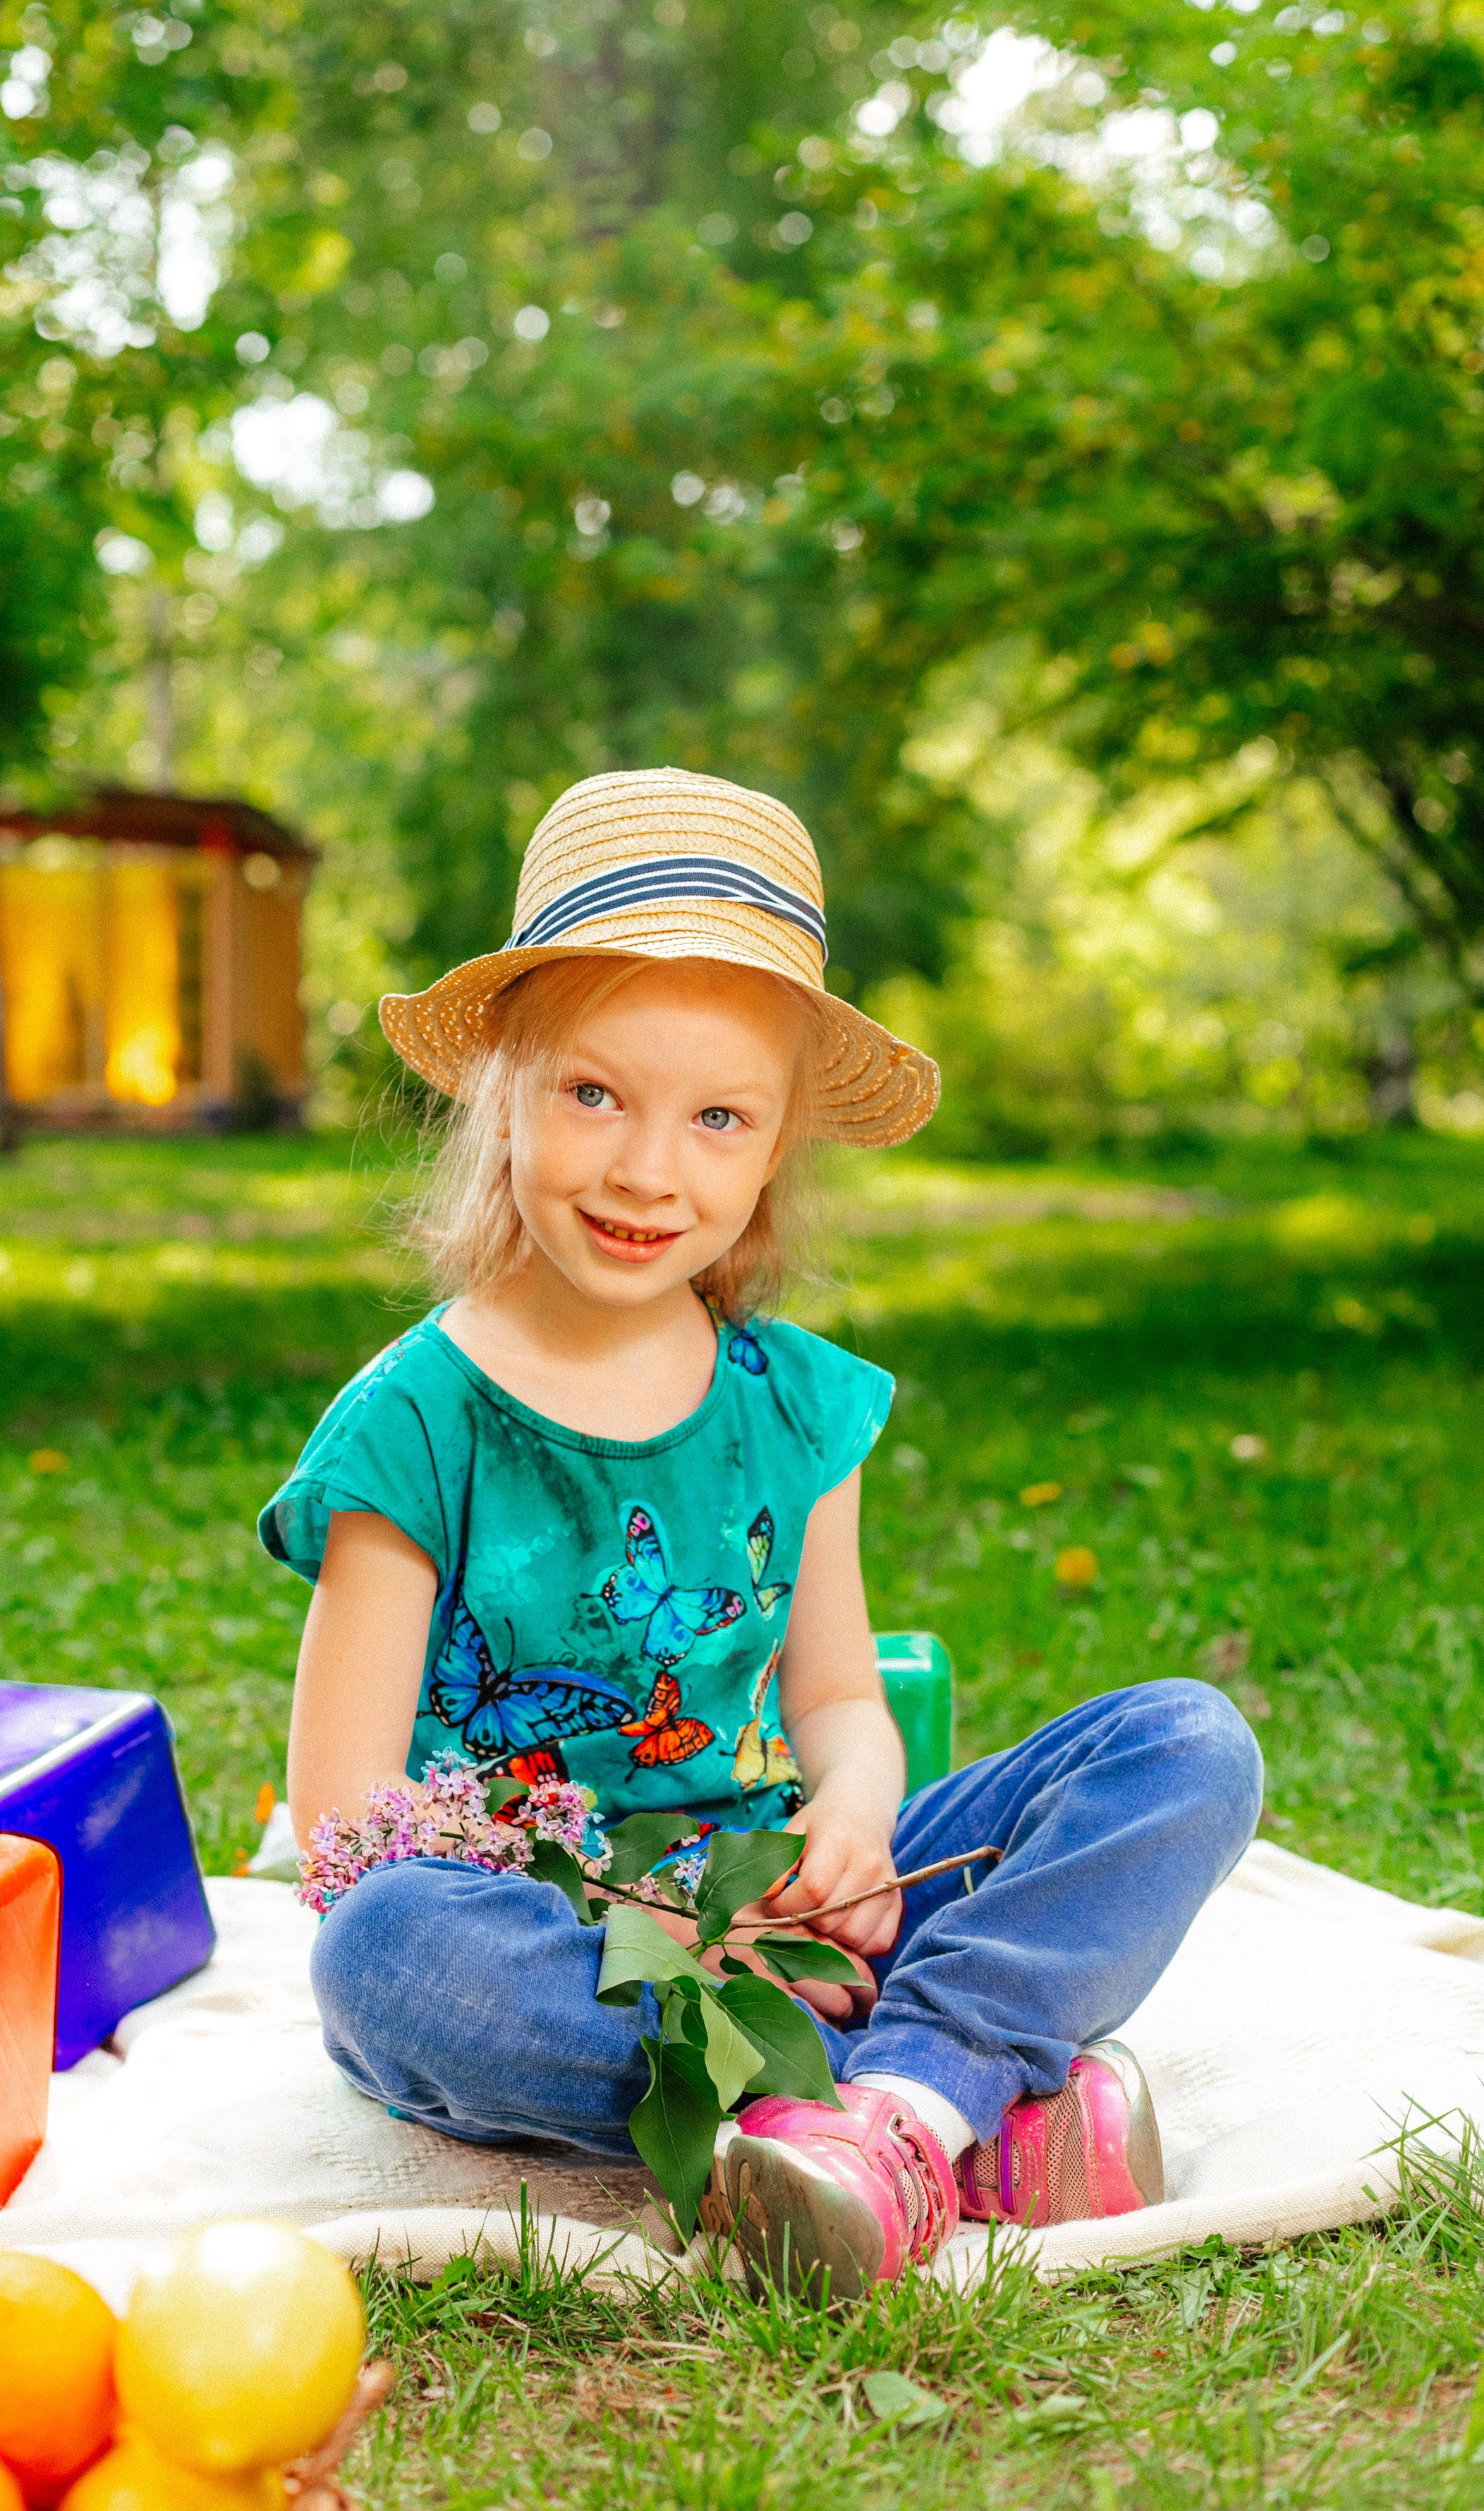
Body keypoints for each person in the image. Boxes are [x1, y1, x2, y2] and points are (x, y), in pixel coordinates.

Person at [262, 766, 1263, 2297]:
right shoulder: (414, 1427)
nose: (648, 1169)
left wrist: (851, 1825)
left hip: (783, 1905)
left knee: (1185, 1746)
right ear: (501, 1084)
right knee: (387, 1954)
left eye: (716, 1117)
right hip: (554, 1950)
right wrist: (637, 1923)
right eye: (594, 1092)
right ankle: (941, 2105)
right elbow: (342, 1829)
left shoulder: (793, 1410)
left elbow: (841, 1700)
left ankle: (897, 2109)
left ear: (775, 1146)